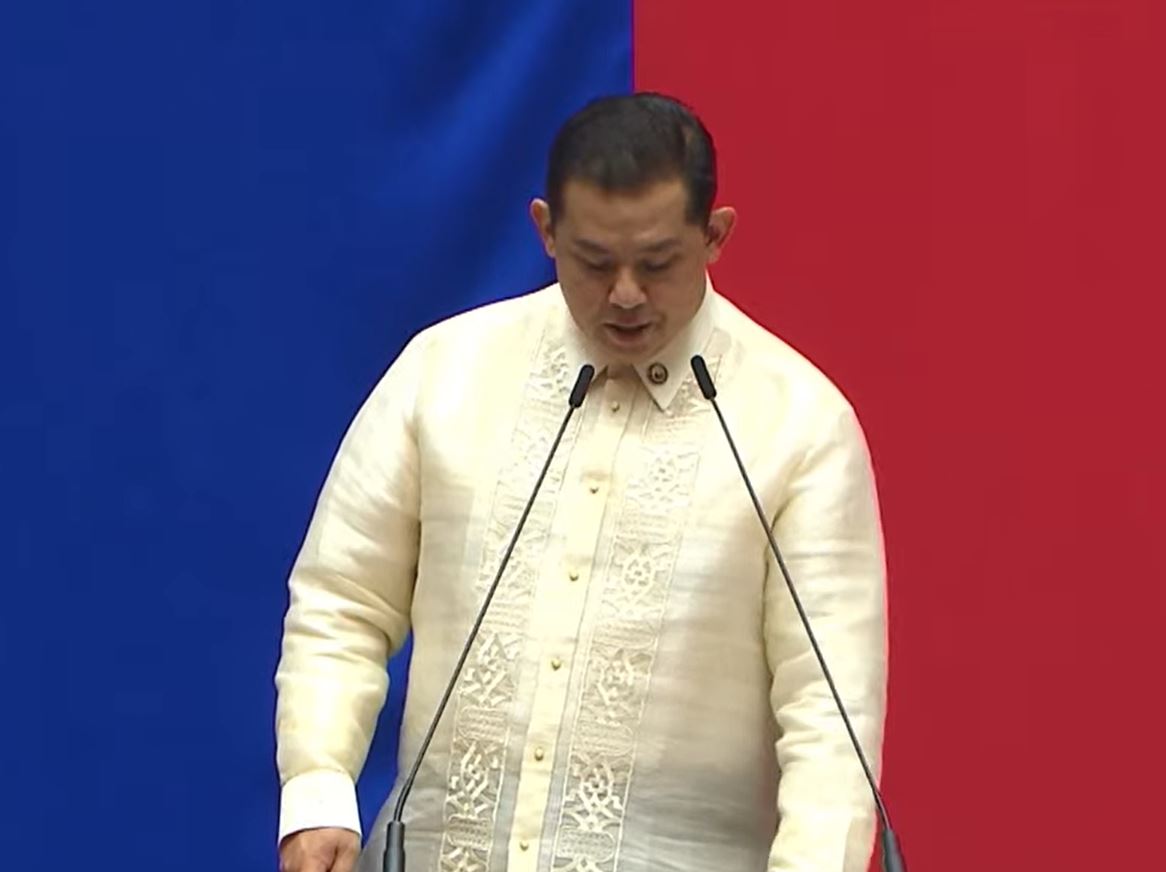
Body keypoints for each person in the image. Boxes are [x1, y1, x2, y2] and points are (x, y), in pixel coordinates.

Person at [275, 92, 889, 872]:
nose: (625, 293)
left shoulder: (796, 425)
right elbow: (342, 601)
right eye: (594, 262)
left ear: (715, 236)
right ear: (545, 230)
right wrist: (318, 788)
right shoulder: (446, 372)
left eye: (657, 263)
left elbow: (830, 717)